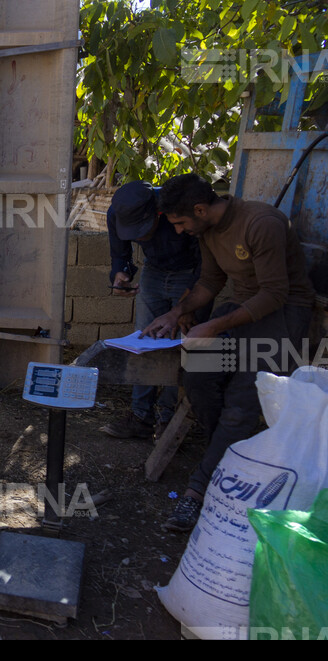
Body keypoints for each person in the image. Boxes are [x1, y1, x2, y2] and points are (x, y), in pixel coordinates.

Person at [142, 173, 315, 532]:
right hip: (242, 313)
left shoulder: (261, 223)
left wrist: (214, 326)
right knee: (199, 377)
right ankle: (227, 456)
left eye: (181, 222)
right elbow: (210, 283)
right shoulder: (205, 231)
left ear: (201, 209)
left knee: (240, 403)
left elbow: (274, 294)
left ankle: (196, 491)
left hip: (282, 319)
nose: (178, 231)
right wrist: (176, 313)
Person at [99, 180, 205, 441]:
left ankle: (169, 419)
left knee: (181, 344)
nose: (139, 237)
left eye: (142, 231)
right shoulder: (117, 213)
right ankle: (140, 417)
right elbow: (119, 254)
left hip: (189, 275)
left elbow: (207, 265)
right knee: (143, 341)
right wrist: (120, 273)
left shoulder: (177, 209)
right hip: (154, 272)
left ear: (159, 212)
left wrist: (189, 302)